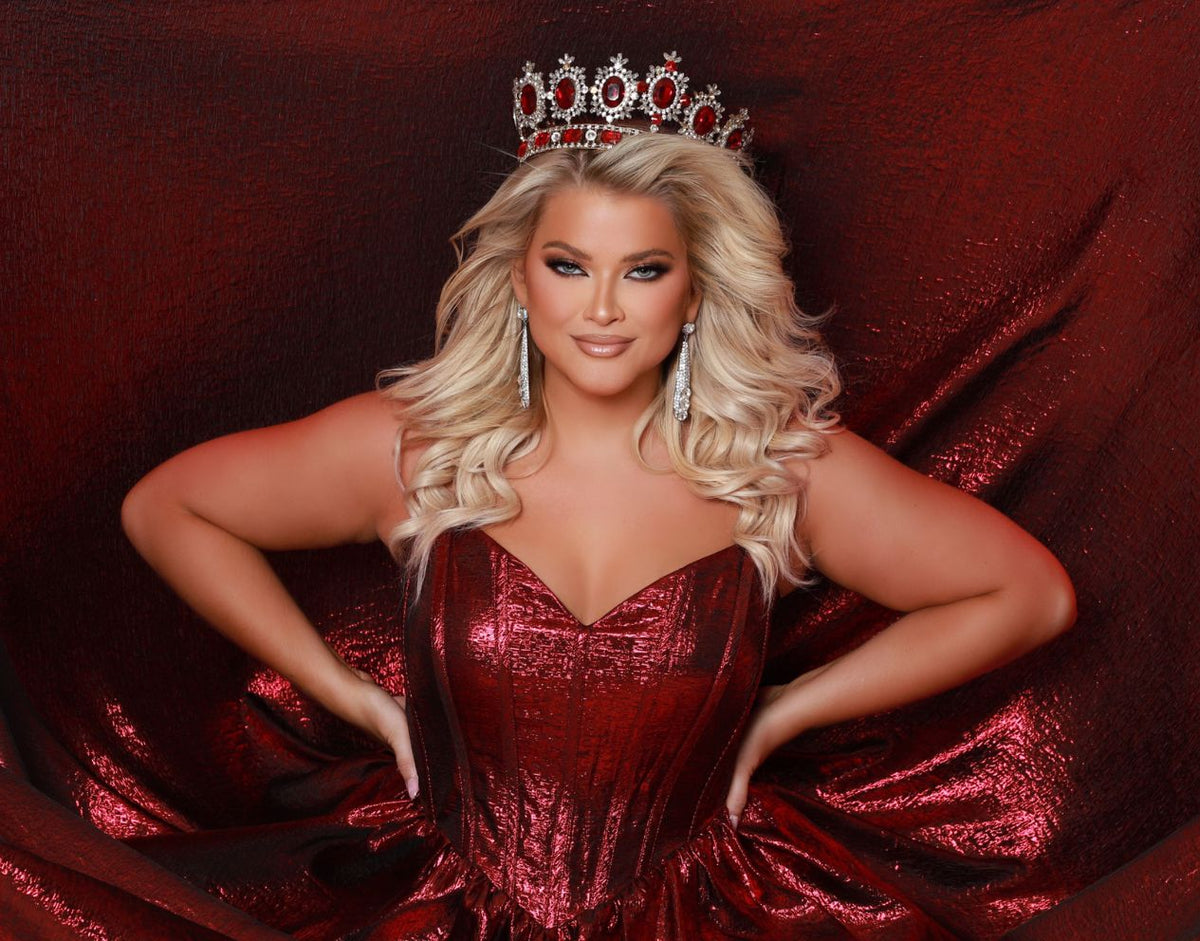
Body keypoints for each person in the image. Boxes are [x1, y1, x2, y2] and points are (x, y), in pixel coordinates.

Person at [121, 51, 1076, 940]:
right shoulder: (421, 449)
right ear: (522, 282)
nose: (604, 308)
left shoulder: (778, 467)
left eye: (646, 270)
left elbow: (1028, 595)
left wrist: (787, 709)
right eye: (569, 266)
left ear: (696, 292)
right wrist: (352, 696)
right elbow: (166, 508)